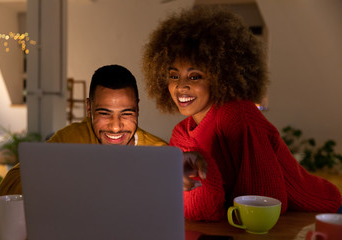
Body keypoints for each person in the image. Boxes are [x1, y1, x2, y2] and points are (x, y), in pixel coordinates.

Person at [141, 6, 342, 221]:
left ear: (221, 76)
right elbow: (198, 212)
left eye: (194, 76)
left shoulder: (238, 116)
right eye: (173, 76)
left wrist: (202, 166)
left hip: (325, 212)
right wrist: (200, 168)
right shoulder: (181, 135)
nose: (180, 87)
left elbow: (266, 201)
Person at [0, 65, 207, 197]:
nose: (115, 127)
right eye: (105, 113)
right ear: (89, 108)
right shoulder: (71, 138)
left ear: (138, 108)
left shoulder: (158, 151)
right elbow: (6, 190)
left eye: (126, 113)